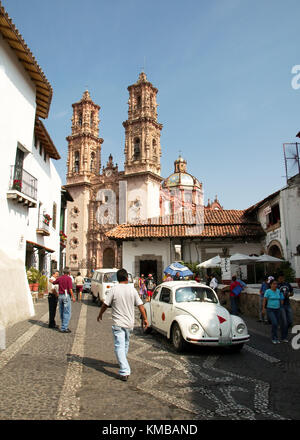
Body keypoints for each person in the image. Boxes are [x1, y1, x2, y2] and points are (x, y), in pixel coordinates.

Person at [97, 268, 148, 381]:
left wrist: (100, 314)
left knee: (119, 346)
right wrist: (145, 319)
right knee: (125, 344)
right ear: (127, 278)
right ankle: (123, 362)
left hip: (118, 323)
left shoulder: (114, 290)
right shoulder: (132, 290)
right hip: (130, 323)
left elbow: (105, 304)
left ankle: (124, 370)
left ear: (117, 278)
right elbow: (141, 306)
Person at [51, 267, 75, 333]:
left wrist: (51, 281)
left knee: (61, 311)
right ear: (69, 272)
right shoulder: (69, 278)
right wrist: (73, 297)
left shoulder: (60, 278)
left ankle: (63, 325)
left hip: (60, 295)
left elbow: (54, 282)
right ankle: (64, 328)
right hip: (66, 295)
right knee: (67, 312)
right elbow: (70, 289)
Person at [262, 279, 285, 344]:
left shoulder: (278, 291)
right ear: (270, 285)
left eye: (276, 284)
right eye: (274, 284)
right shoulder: (268, 291)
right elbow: (264, 300)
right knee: (274, 323)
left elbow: (281, 298)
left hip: (278, 309)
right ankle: (273, 338)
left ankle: (276, 338)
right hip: (270, 309)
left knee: (276, 324)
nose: (275, 285)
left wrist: (281, 305)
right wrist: (263, 308)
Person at [277, 273, 294, 342]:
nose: (281, 279)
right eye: (280, 278)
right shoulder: (276, 285)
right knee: (284, 322)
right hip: (281, 306)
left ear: (284, 278)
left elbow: (292, 292)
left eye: (282, 278)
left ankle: (282, 327)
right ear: (278, 279)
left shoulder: (287, 284)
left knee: (290, 321)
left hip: (288, 305)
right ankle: (284, 337)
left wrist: (289, 294)